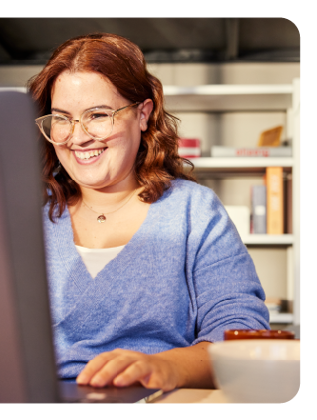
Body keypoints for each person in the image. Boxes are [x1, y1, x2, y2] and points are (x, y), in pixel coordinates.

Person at [27, 33, 269, 392]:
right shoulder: (25, 214)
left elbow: (243, 333)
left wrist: (165, 366)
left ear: (143, 114)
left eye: (97, 115)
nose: (77, 137)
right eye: (62, 119)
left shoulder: (193, 211)